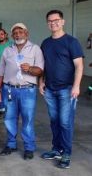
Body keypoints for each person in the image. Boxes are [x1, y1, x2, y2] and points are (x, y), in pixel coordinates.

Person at [39, 10, 84, 169]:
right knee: (54, 121)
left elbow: (79, 65)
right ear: (47, 24)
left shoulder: (72, 42)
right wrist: (41, 81)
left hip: (67, 89)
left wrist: (77, 85)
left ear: (62, 21)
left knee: (65, 122)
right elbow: (43, 65)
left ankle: (66, 153)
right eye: (50, 21)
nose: (53, 23)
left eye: (56, 20)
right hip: (50, 89)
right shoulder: (45, 43)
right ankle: (56, 149)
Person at [0, 23, 44, 160]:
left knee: (27, 119)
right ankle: (11, 144)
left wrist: (29, 69)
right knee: (9, 118)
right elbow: (0, 73)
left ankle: (29, 147)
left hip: (27, 90)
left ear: (26, 33)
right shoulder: (7, 50)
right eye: (15, 33)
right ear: (11, 35)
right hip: (9, 89)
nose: (18, 34)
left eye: (20, 32)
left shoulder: (35, 49)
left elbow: (40, 70)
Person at [0, 28, 12, 118]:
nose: (0, 36)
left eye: (2, 34)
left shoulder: (11, 45)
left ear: (5, 35)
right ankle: (1, 111)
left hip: (10, 75)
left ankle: (9, 111)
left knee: (9, 94)